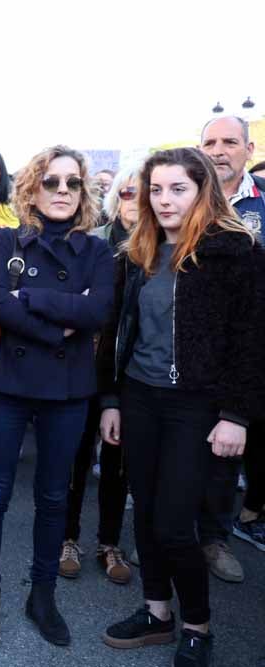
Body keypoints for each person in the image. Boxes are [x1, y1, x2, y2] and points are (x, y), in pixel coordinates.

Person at [97, 147, 262, 667]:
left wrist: (236, 414)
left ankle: (198, 625)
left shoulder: (234, 251)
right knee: (144, 514)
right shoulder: (136, 252)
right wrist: (112, 400)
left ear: (202, 191)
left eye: (178, 188)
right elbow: (117, 335)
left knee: (173, 522)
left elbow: (252, 340)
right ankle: (157, 612)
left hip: (198, 405)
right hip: (140, 398)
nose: (164, 199)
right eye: (156, 189)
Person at [0, 145, 114, 652]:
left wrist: (29, 299)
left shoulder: (96, 250)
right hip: (10, 385)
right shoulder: (7, 239)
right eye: (51, 182)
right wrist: (60, 328)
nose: (62, 192)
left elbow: (98, 311)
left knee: (54, 498)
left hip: (68, 392)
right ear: (32, 187)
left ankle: (43, 596)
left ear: (84, 191)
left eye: (72, 183)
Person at [57, 164, 140, 585]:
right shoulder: (94, 246)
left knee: (118, 463)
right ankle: (67, 537)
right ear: (114, 199)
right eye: (127, 192)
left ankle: (110, 541)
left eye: (143, 193)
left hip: (135, 375)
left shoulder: (164, 250)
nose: (135, 201)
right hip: (90, 366)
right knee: (76, 456)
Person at [197, 115, 265, 583]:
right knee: (177, 452)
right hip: (186, 352)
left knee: (228, 450)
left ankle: (214, 539)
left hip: (244, 348)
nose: (219, 150)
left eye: (229, 142)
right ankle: (171, 535)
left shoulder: (262, 204)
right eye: (209, 142)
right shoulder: (180, 196)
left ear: (249, 147)